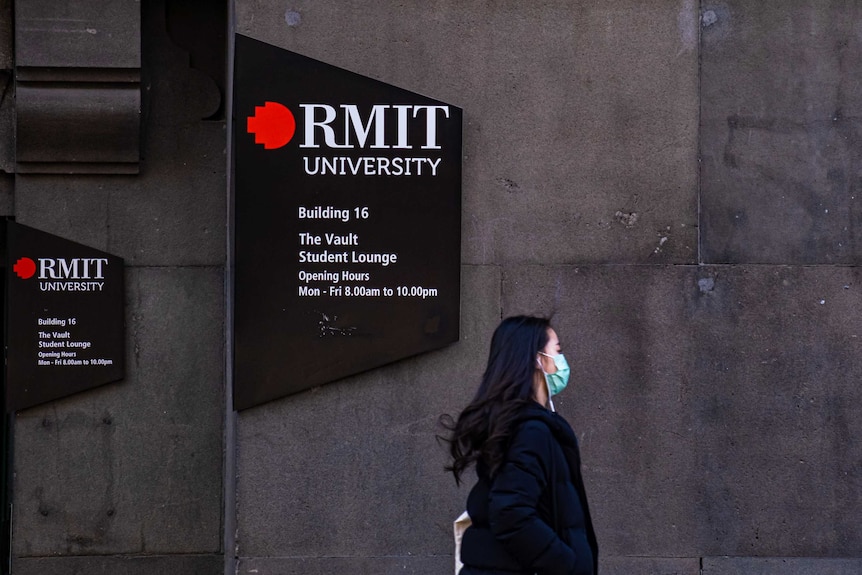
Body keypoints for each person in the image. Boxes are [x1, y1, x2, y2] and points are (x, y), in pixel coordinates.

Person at [441, 316, 598, 575]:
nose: (562, 361)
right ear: (537, 360)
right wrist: (567, 564)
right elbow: (511, 513)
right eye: (557, 351)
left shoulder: (516, 424)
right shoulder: (529, 430)